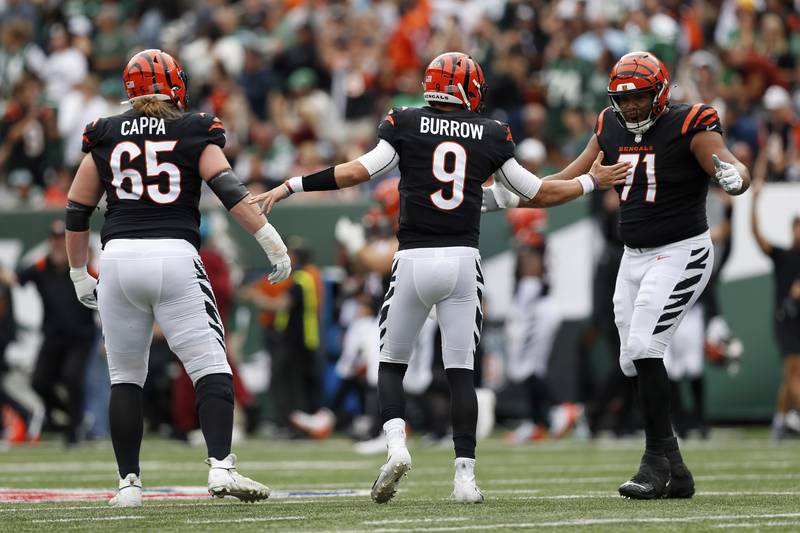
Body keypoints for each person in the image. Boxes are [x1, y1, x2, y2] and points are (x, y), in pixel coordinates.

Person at [249, 51, 629, 503]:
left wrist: (293, 185)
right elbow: (535, 192)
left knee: (390, 363)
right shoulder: (491, 133)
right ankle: (464, 478)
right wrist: (592, 182)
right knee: (460, 373)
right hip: (463, 262)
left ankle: (395, 445)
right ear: (466, 89)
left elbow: (357, 171)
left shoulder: (405, 122)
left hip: (412, 258)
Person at [484, 51, 751, 499]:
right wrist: (500, 198)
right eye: (623, 99)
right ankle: (677, 470)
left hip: (681, 251)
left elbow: (726, 162)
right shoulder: (608, 125)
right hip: (633, 257)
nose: (630, 107)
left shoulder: (691, 122)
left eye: (639, 97)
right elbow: (563, 183)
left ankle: (654, 462)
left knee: (646, 346)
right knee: (631, 358)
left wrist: (734, 175)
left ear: (661, 92)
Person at [64, 49, 291, 507]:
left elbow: (76, 207)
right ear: (174, 85)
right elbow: (228, 188)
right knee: (211, 366)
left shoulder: (105, 131)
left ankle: (128, 484)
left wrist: (76, 271)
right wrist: (270, 239)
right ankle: (221, 467)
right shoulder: (193, 127)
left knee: (125, 376)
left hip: (118, 259)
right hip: (173, 254)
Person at [9, 220, 95, 446]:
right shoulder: (41, 267)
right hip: (53, 335)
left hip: (80, 335)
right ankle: (69, 416)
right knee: (39, 381)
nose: (58, 244)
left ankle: (74, 431)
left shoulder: (81, 267)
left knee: (71, 377)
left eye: (61, 240)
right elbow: (16, 278)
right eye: (54, 240)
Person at [750, 176, 800, 440]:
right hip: (787, 321)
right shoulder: (783, 255)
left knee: (793, 375)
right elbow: (757, 236)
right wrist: (755, 201)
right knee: (793, 371)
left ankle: (781, 421)